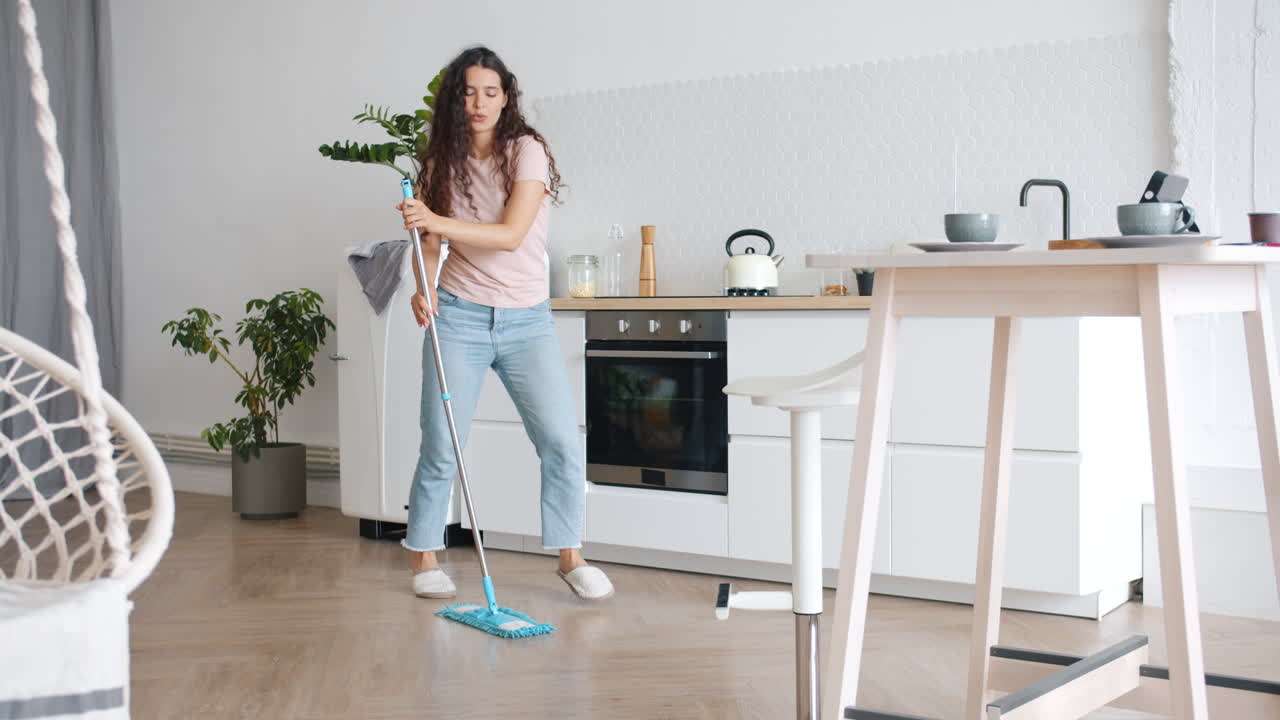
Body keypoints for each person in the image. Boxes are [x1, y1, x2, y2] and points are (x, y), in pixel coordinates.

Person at [396, 46, 614, 601]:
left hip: (527, 323)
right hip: (460, 317)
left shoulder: (526, 151)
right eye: (468, 92)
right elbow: (431, 243)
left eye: (490, 92)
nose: (479, 102)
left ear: (506, 98)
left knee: (562, 441)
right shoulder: (440, 162)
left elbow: (512, 233)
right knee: (442, 443)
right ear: (454, 99)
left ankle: (571, 557)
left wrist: (434, 218)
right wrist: (424, 287)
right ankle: (424, 557)